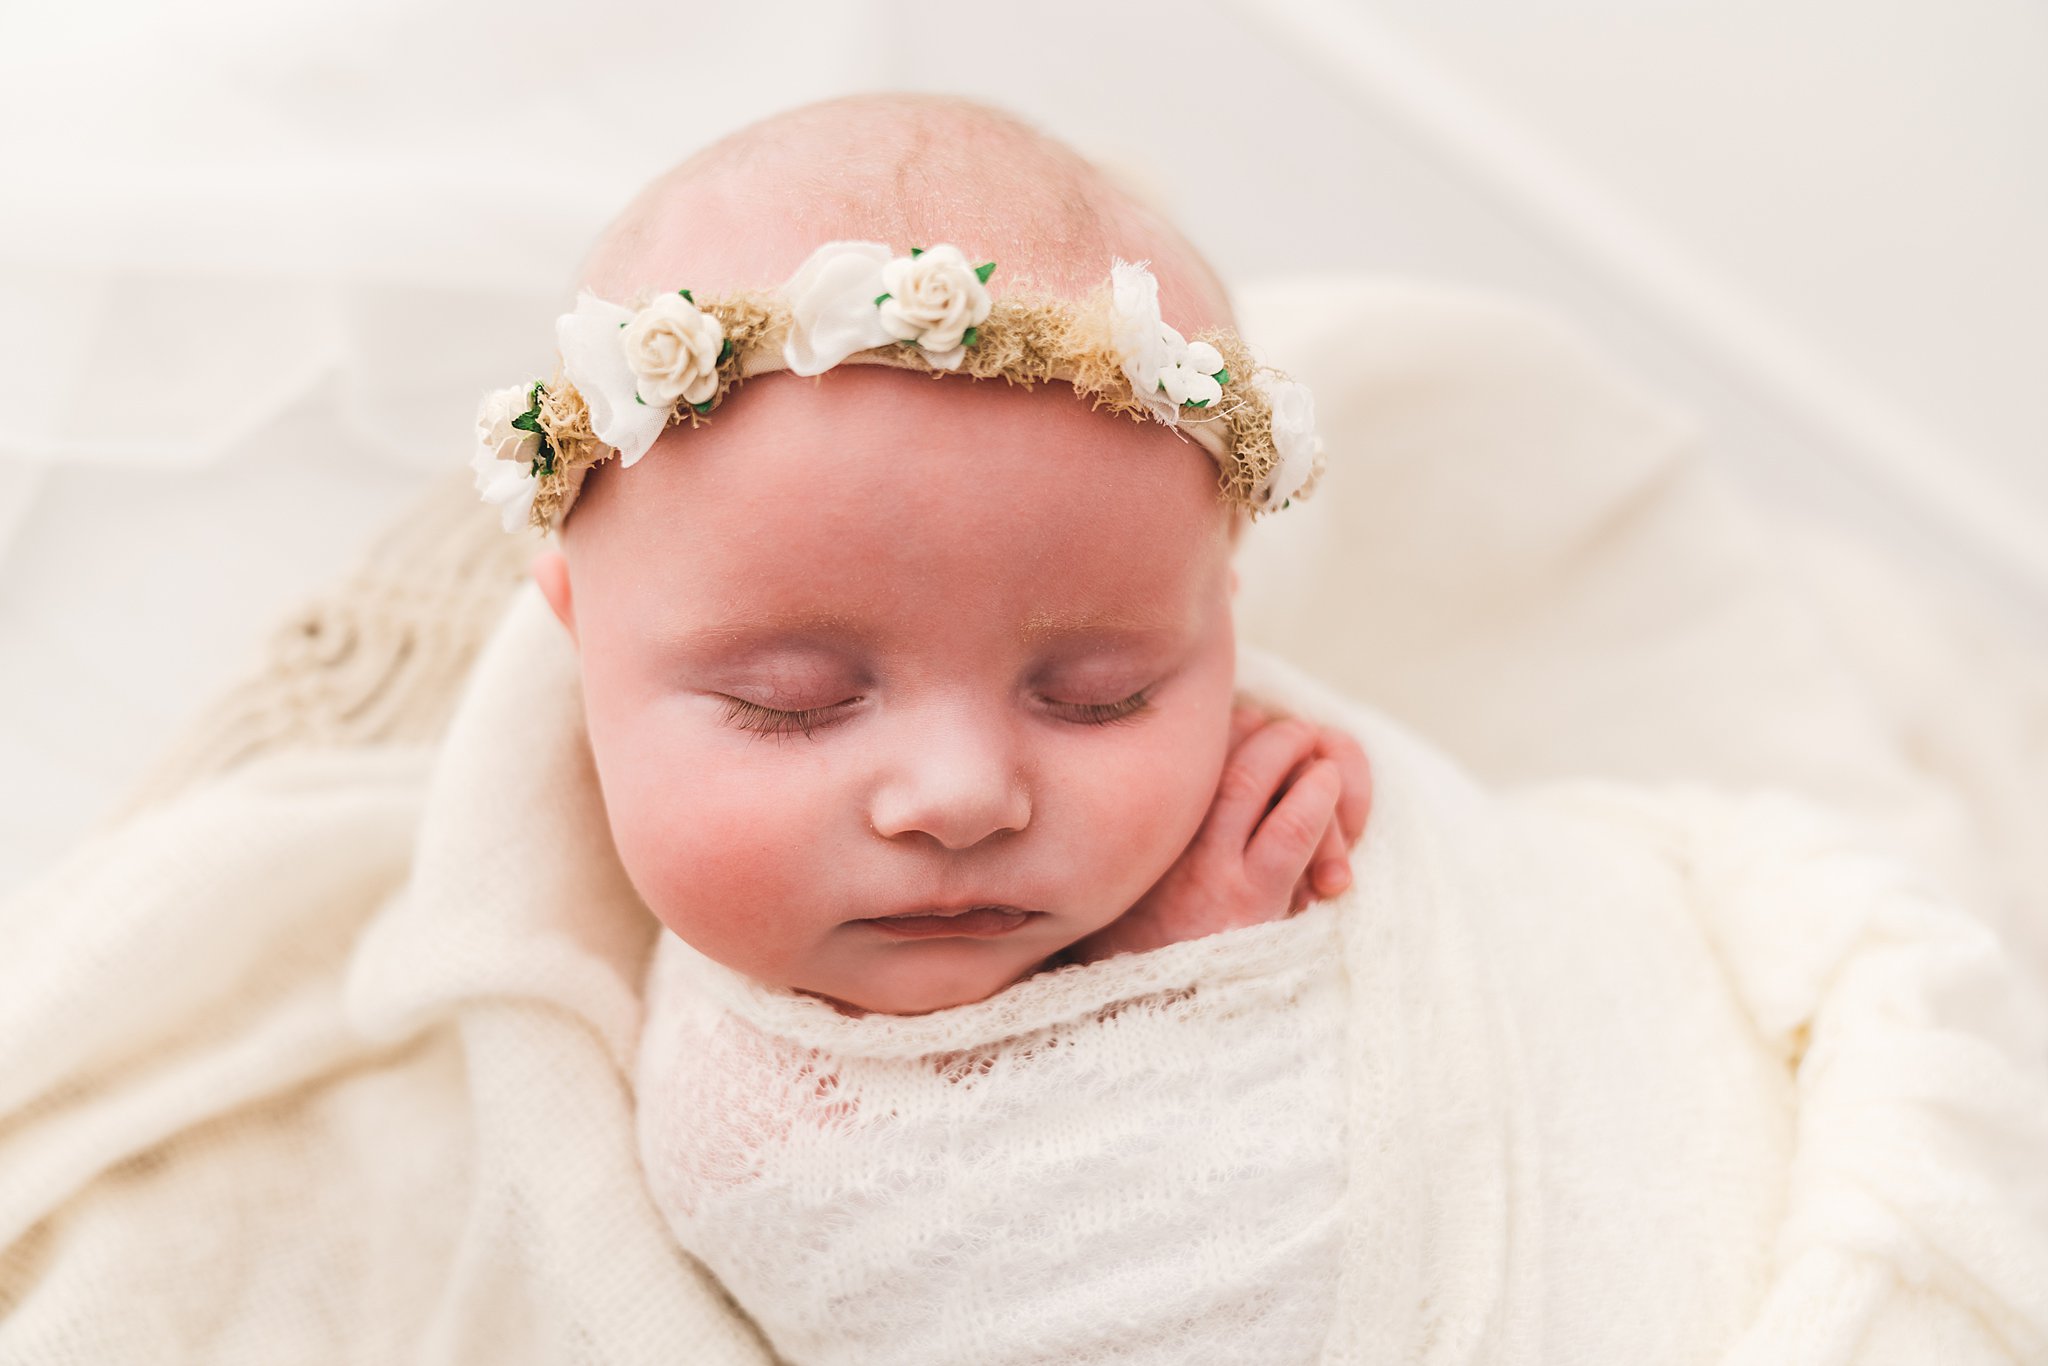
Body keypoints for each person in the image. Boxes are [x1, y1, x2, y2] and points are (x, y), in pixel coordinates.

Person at [3, 91, 2044, 1365]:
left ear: (1221, 621)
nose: (964, 792)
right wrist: (1169, 988)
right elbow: (960, 1274)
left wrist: (1293, 940)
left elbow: (1543, 945)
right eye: (791, 702)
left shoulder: (1270, 788)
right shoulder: (733, 1102)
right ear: (580, 644)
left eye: (1097, 688)